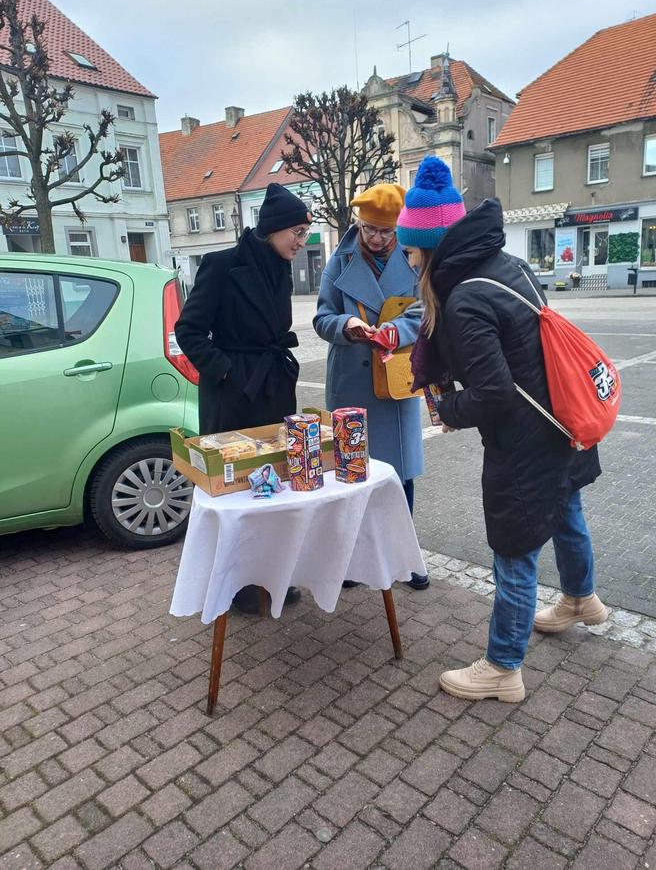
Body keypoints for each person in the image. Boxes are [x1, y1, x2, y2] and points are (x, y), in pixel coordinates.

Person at [397, 156, 606, 703]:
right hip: (562, 415)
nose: (407, 258)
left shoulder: (464, 298)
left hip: (524, 441)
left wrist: (448, 411)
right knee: (566, 508)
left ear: (433, 244)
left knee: (514, 549)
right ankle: (582, 599)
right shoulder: (505, 262)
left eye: (410, 248)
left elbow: (491, 394)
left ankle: (502, 667)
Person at [175, 182, 312, 613]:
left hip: (272, 389)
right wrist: (228, 370)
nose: (301, 240)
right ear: (272, 228)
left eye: (306, 232)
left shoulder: (280, 268)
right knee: (236, 494)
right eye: (296, 231)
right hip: (233, 397)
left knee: (273, 486)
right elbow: (189, 331)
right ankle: (235, 586)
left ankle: (271, 577)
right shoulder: (221, 265)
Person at [314, 182, 428, 590]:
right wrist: (347, 325)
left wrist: (395, 331)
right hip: (353, 377)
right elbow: (322, 317)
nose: (377, 239)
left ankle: (406, 556)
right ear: (358, 225)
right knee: (352, 471)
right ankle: (355, 558)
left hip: (395, 374)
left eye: (385, 232)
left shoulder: (413, 259)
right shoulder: (339, 261)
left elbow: (426, 308)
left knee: (400, 474)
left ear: (397, 229)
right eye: (369, 230)